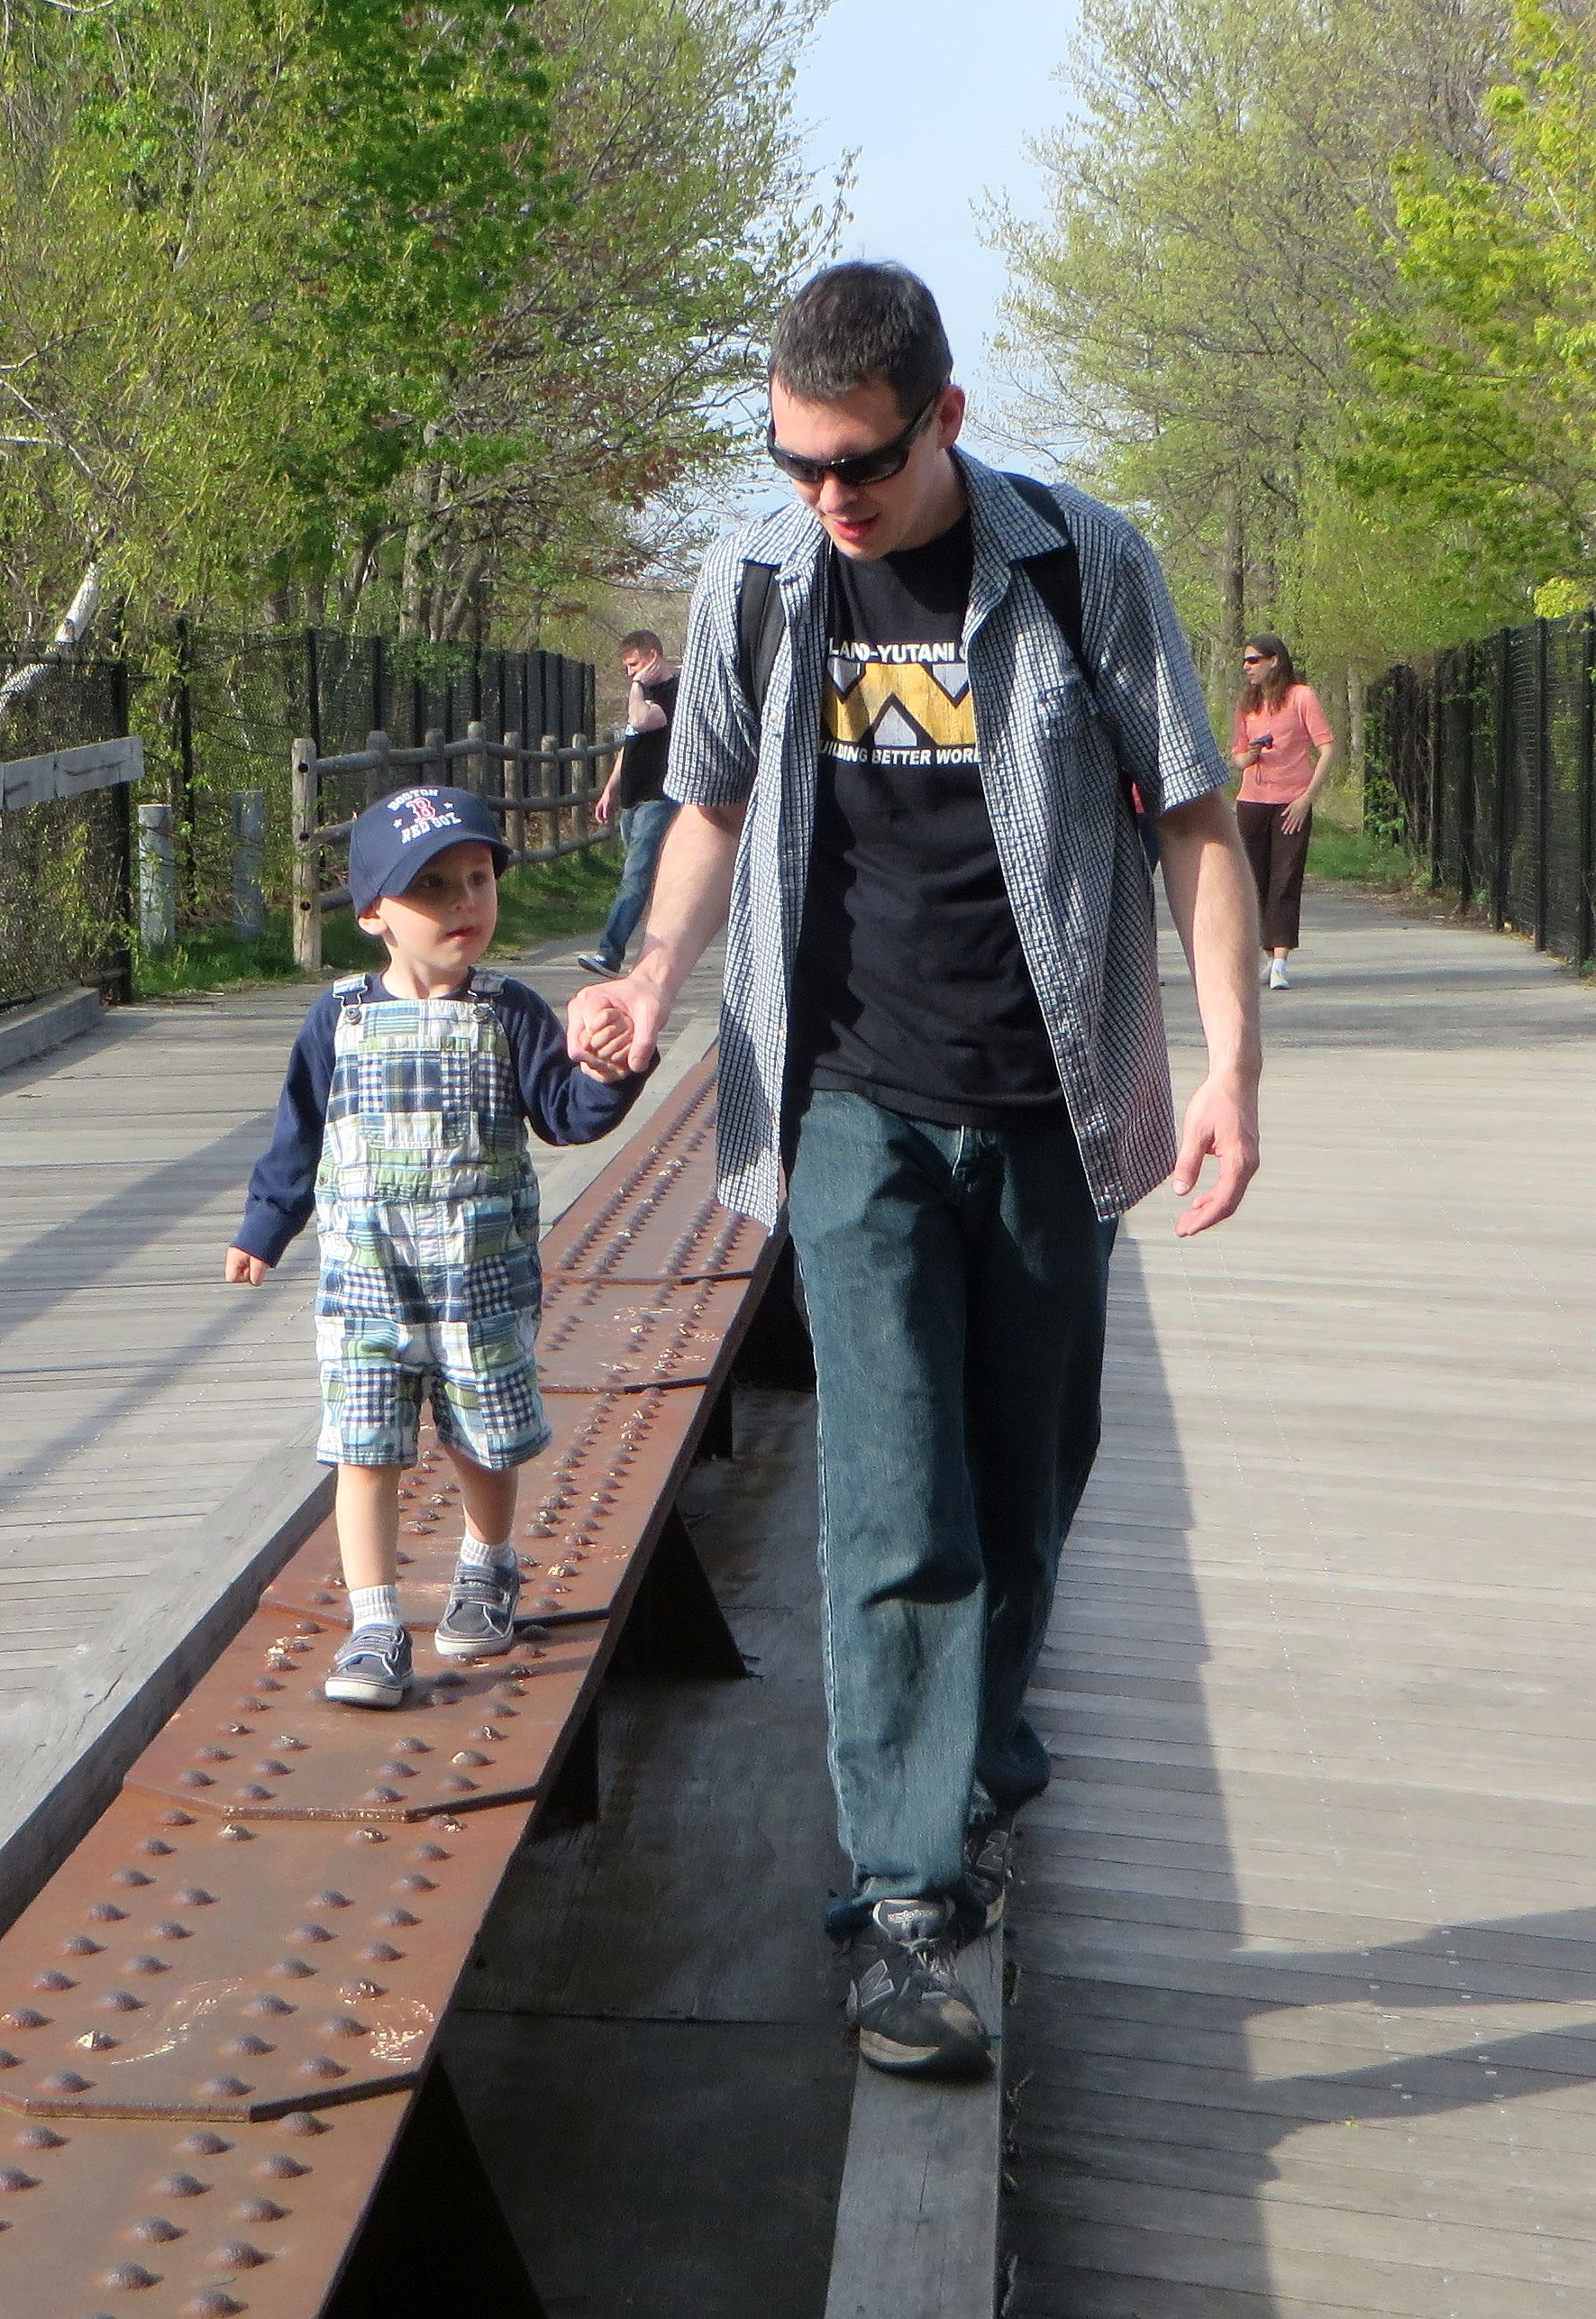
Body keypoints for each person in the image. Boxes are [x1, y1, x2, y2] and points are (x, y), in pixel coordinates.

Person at [567, 261, 1262, 2080]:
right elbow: (710, 800)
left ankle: (974, 1755)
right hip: (847, 1096)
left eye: (861, 463)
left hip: (1049, 1097)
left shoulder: (1080, 564)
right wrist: (649, 972)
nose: (830, 498)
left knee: (1028, 1475)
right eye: (795, 462)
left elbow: (1193, 816)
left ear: (943, 416)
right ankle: (904, 1891)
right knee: (894, 1496)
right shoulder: (758, 580)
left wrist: (1230, 1069)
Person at [225, 785, 644, 1709]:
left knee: (482, 1442)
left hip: (477, 1286)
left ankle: (487, 1563)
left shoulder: (510, 1011)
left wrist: (613, 1073)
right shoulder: (336, 1019)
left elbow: (565, 1113)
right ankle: (375, 1624)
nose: (465, 901)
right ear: (373, 913)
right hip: (367, 1287)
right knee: (364, 1450)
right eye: (433, 886)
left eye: (478, 878)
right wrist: (265, 1224)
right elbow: (299, 1135)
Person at [1230, 634, 1337, 990]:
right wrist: (1249, 756)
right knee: (1252, 881)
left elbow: (1328, 748)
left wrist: (1307, 798)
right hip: (1252, 802)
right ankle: (1262, 954)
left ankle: (1280, 961)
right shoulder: (1246, 704)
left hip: (1291, 803)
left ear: (1274, 660)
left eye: (1253, 660)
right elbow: (1237, 756)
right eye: (1245, 661)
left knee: (1286, 879)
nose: (1247, 668)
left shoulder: (1301, 697)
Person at [577, 630, 681, 979]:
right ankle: (659, 956)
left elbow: (641, 721)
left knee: (635, 879)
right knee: (648, 881)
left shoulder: (673, 693)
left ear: (652, 657)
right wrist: (610, 789)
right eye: (627, 668)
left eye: (634, 665)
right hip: (633, 801)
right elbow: (631, 744)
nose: (629, 673)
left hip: (658, 799)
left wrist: (637, 686)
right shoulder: (644, 695)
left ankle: (609, 954)